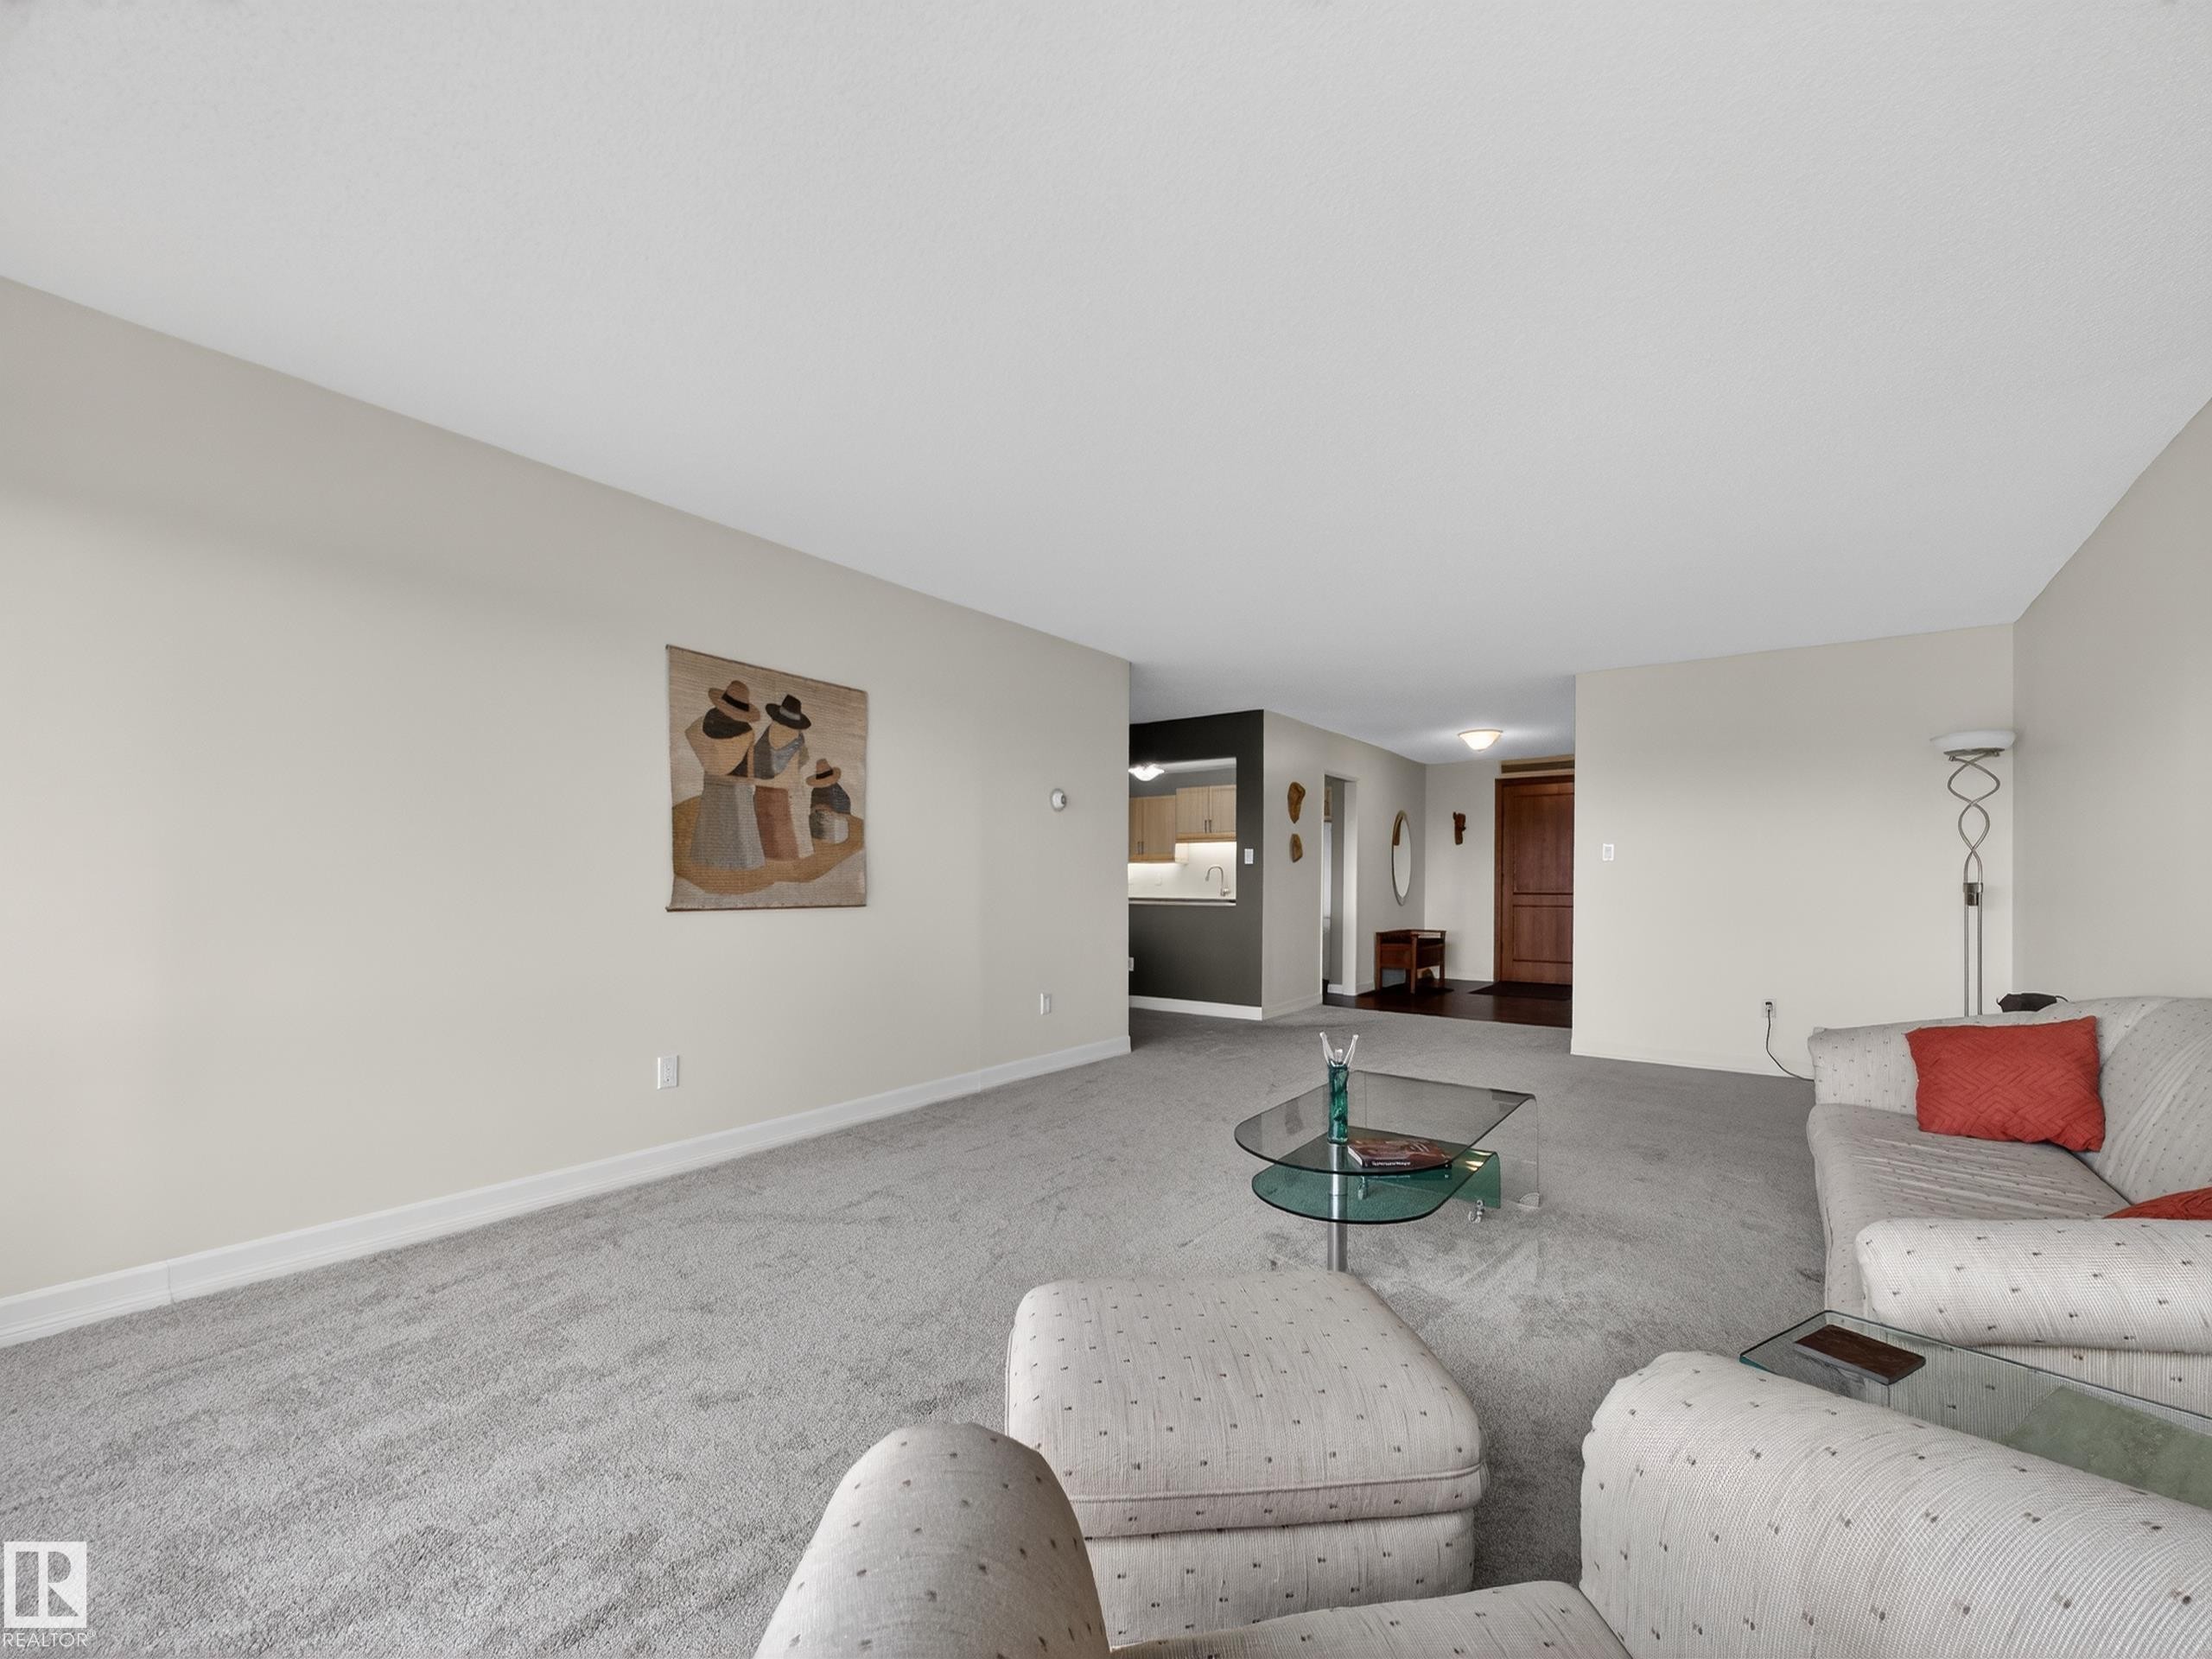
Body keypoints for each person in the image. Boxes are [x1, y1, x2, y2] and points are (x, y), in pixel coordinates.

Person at [684, 680, 765, 872]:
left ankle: (706, 859)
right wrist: (751, 784)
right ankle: (741, 863)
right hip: (737, 785)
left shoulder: (707, 719)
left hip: (711, 782)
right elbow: (749, 763)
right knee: (738, 828)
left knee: (711, 824)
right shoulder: (746, 732)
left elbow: (692, 734)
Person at [750, 694, 813, 861]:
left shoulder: (770, 729)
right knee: (783, 832)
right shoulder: (797, 736)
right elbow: (805, 758)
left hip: (761, 786)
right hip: (783, 789)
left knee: (763, 826)